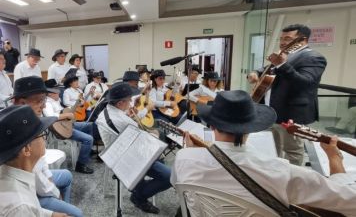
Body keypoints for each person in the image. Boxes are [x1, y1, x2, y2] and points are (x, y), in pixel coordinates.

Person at [171, 90, 356, 217]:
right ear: (251, 129)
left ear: (211, 125)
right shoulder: (281, 171)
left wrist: (191, 153)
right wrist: (334, 158)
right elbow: (349, 201)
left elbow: (178, 185)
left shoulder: (184, 157)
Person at [247, 24, 327, 166]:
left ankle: (293, 180)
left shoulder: (314, 57)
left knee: (292, 151)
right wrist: (255, 73)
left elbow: (306, 83)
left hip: (291, 114)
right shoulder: (284, 55)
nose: (283, 42)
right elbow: (266, 69)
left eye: (288, 38)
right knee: (271, 147)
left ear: (302, 40)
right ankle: (275, 173)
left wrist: (282, 65)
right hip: (270, 112)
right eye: (281, 38)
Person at [96, 82, 172, 214]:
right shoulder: (122, 120)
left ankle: (139, 187)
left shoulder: (106, 111)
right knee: (170, 176)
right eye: (128, 100)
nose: (131, 102)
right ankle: (139, 197)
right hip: (126, 157)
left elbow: (126, 126)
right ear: (119, 103)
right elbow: (142, 138)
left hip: (116, 151)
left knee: (160, 160)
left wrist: (131, 116)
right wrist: (153, 135)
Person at [0, 105, 68, 217]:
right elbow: (25, 209)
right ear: (27, 149)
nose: (44, 139)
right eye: (41, 134)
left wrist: (51, 214)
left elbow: (33, 209)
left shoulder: (18, 172)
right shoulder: (20, 206)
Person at [43, 79, 94, 174]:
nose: (59, 92)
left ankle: (87, 150)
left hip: (68, 124)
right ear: (49, 93)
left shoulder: (56, 101)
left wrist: (76, 105)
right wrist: (66, 115)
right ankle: (81, 165)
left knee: (89, 125)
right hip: (61, 130)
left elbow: (64, 110)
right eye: (56, 90)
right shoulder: (47, 103)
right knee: (89, 139)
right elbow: (50, 117)